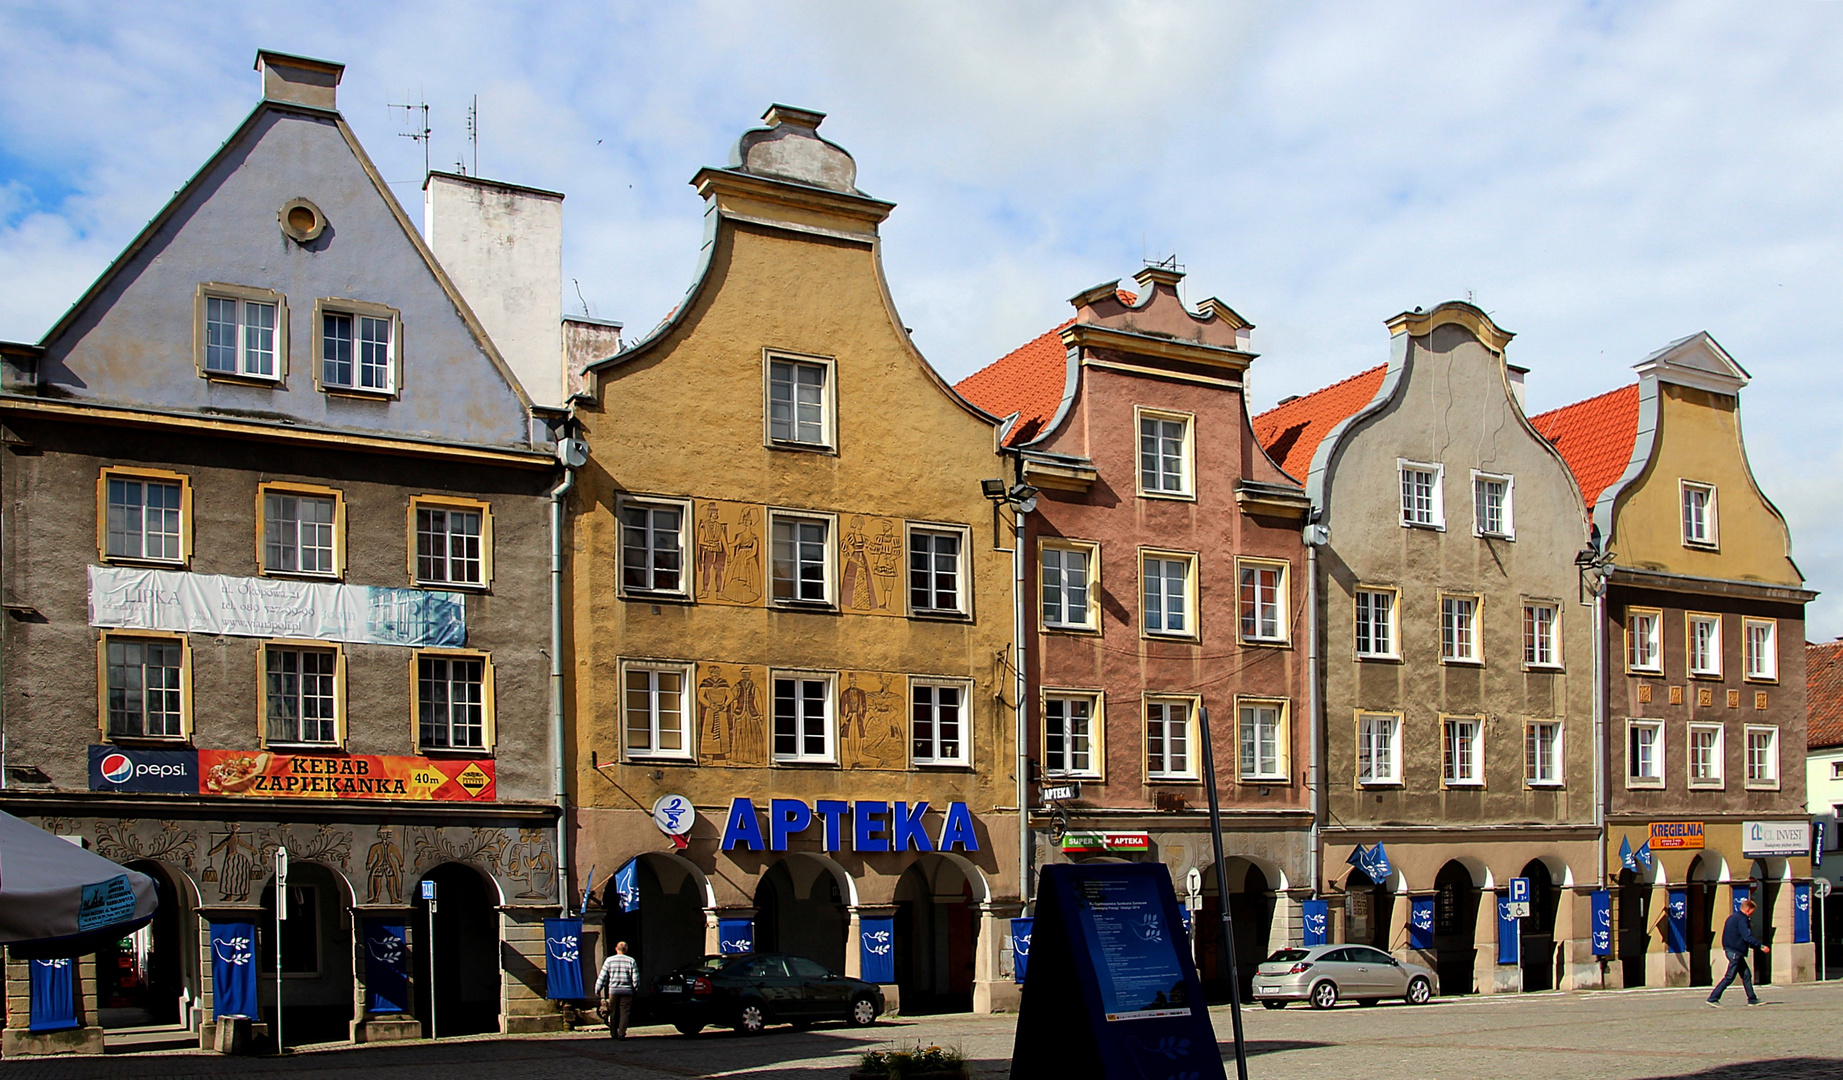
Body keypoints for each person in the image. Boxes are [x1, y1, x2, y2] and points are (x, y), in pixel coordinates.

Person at [1707, 898, 1769, 1006]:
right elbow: (1747, 936)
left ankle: (1752, 999)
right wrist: (1760, 946)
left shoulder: (1732, 917)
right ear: (1748, 909)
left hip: (1731, 950)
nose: (1752, 915)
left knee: (1746, 975)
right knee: (1730, 976)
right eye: (1752, 912)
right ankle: (1713, 997)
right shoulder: (1742, 919)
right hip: (1735, 951)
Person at [596, 940, 639, 1037]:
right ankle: (621, 1033)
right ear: (626, 950)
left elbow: (603, 976)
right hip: (627, 990)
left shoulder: (609, 961)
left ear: (616, 949)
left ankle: (613, 1032)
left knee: (613, 1011)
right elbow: (635, 978)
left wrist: (598, 988)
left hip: (614, 990)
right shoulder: (631, 961)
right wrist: (635, 988)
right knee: (624, 1012)